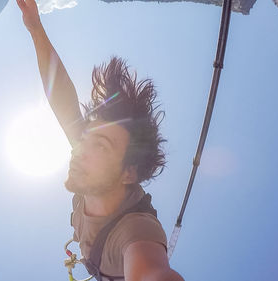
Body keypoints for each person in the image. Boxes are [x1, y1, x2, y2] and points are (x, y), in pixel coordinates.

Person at [16, 0, 185, 280]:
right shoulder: (93, 171)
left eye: (101, 145)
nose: (79, 149)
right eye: (85, 139)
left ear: (128, 173)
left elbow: (152, 271)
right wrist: (35, 28)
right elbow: (63, 101)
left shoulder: (137, 231)